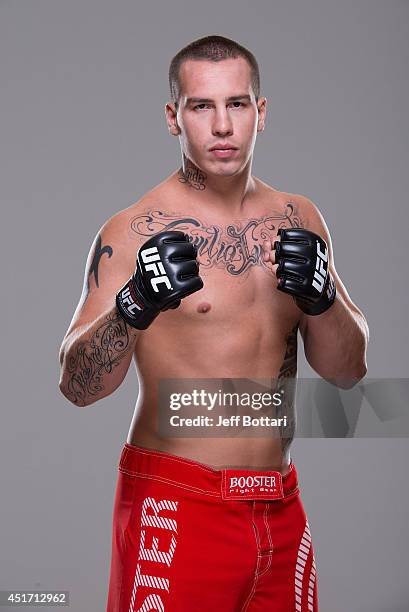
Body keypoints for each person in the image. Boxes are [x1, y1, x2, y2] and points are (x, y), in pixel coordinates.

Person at [58, 35, 369, 612]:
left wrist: (324, 300)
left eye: (238, 104)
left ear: (261, 112)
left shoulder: (300, 218)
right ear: (174, 117)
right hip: (178, 502)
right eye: (202, 106)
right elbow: (78, 387)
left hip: (279, 505)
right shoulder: (131, 231)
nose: (223, 126)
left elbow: (348, 372)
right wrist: (134, 303)